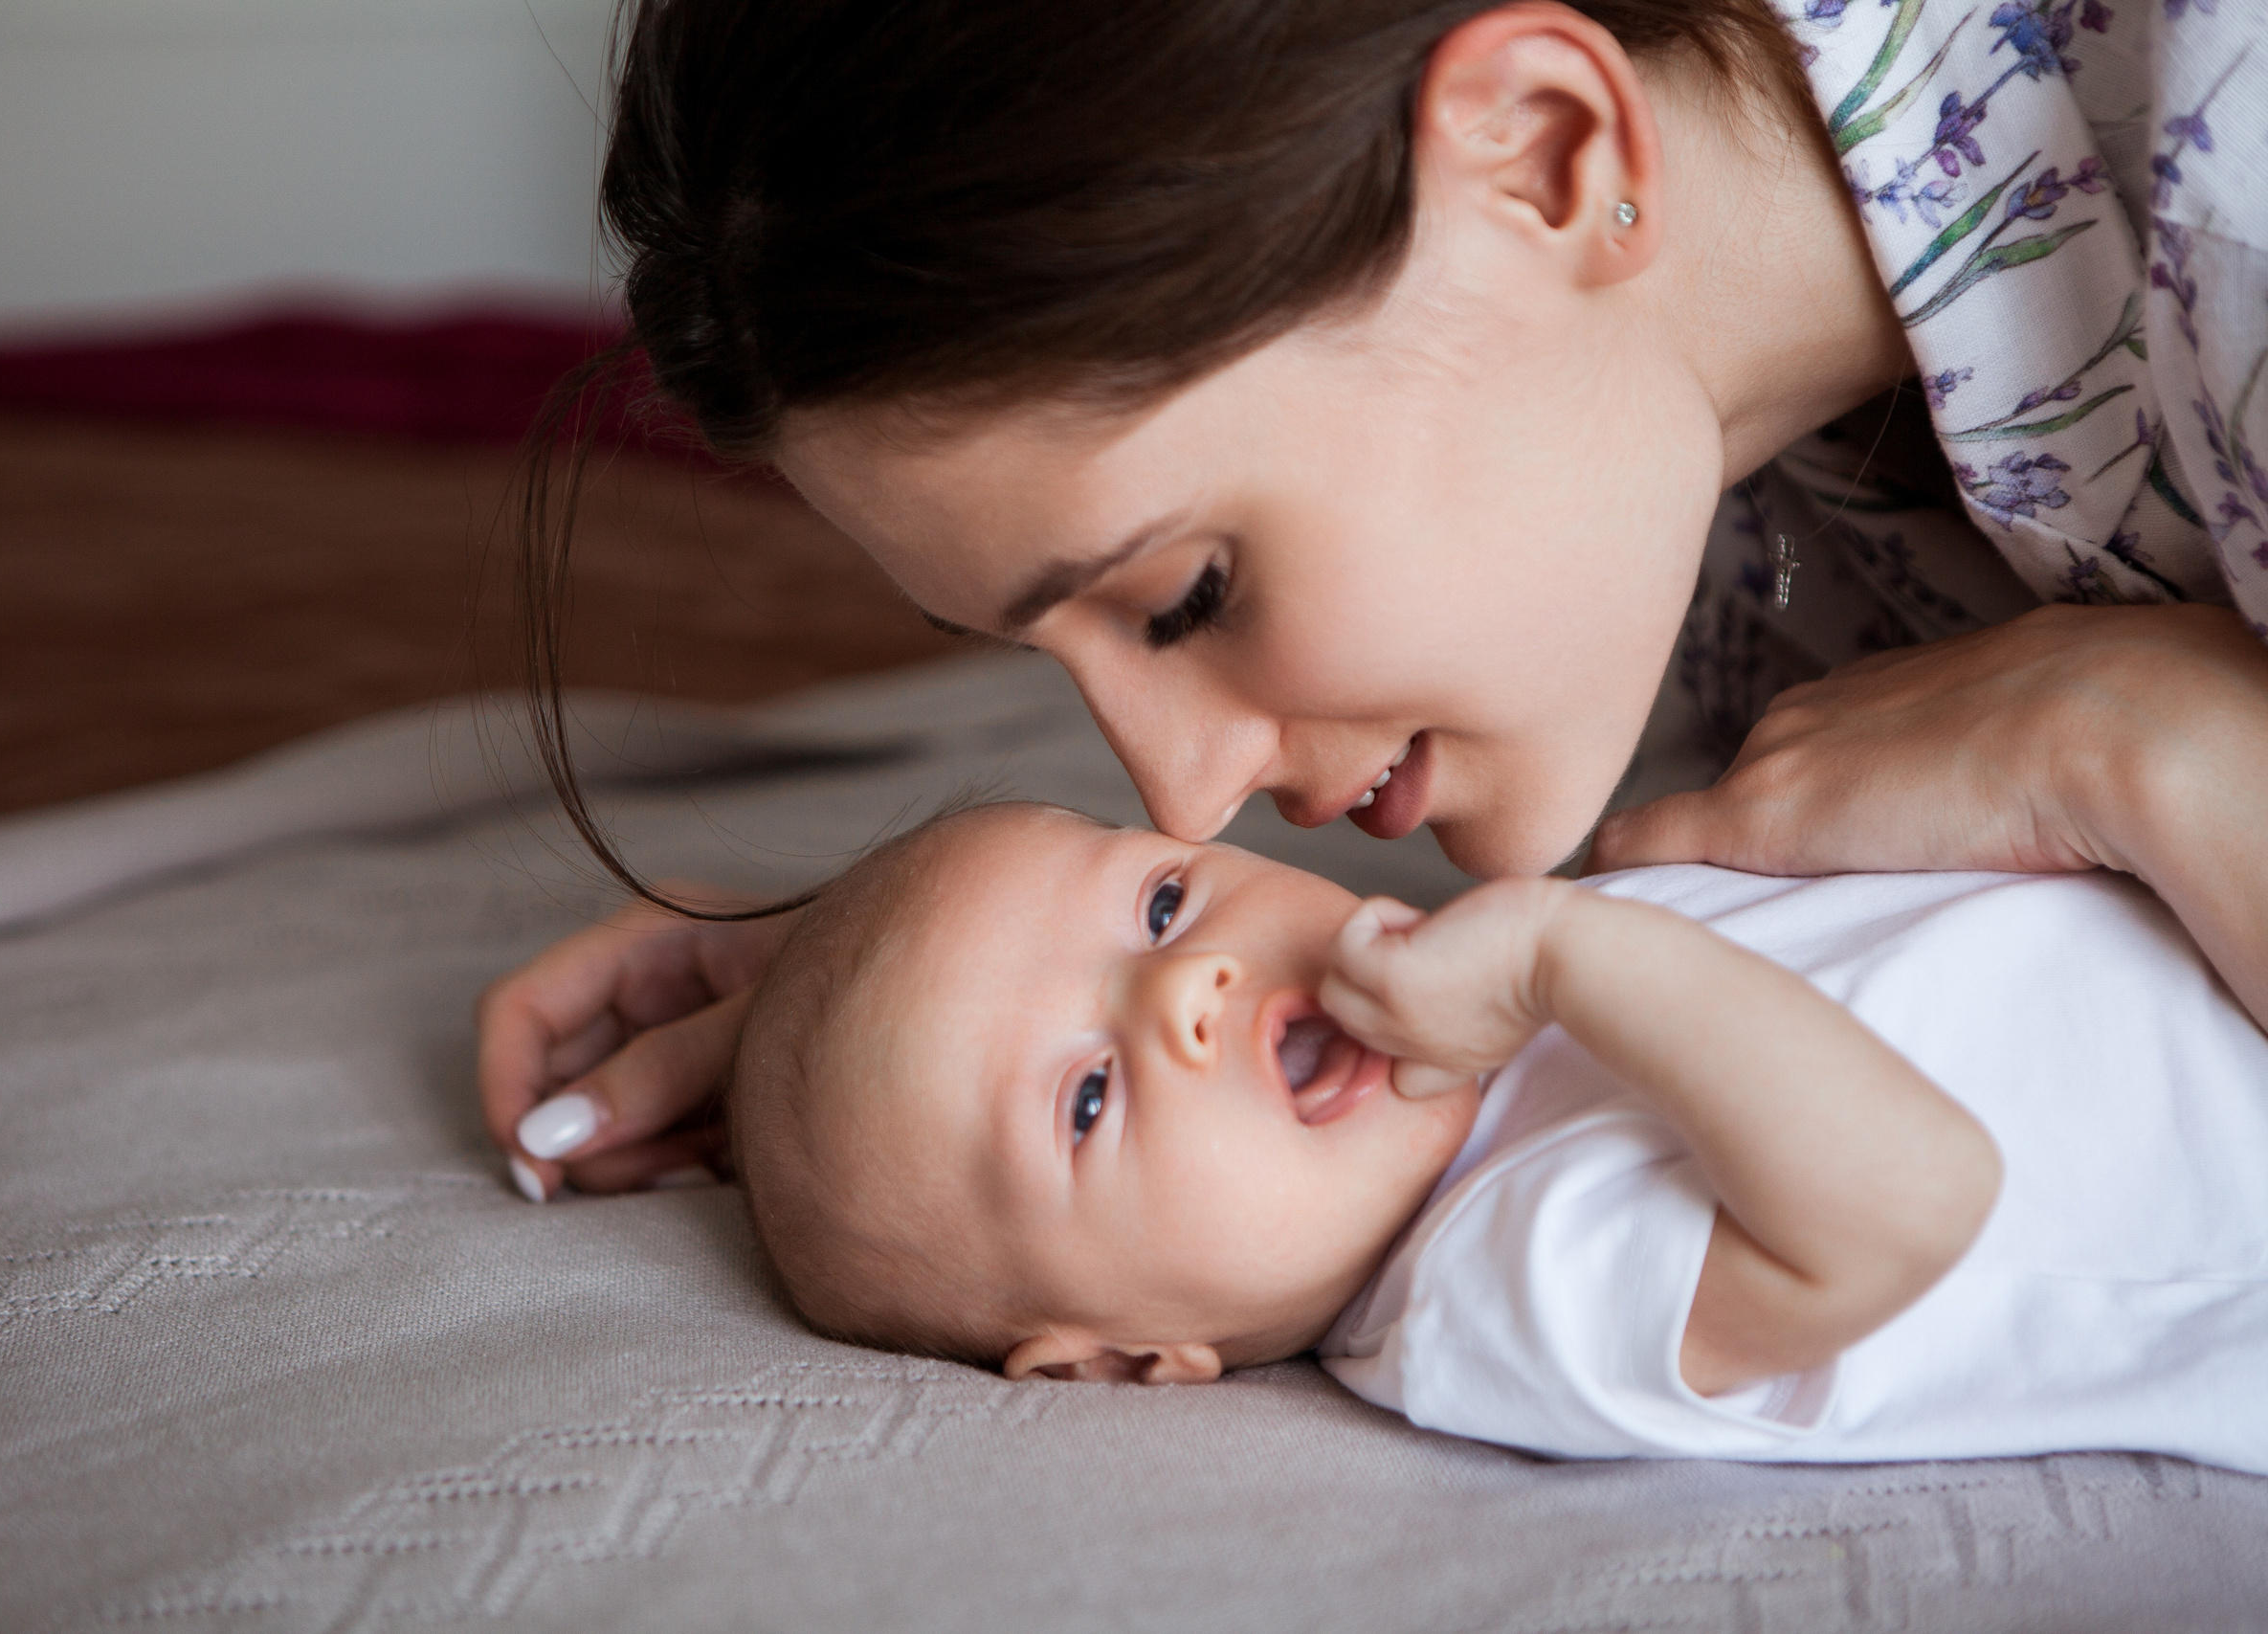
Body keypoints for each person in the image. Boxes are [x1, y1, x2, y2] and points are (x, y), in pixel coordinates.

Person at [481, 0, 2268, 1200]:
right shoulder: (1685, 488)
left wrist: (2152, 747)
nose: (1177, 792)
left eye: (1184, 593)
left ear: (1543, 154)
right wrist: (961, 1021)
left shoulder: (2238, 175)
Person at [684, 799, 2268, 1472]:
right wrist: (1561, 956)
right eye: (1087, 1098)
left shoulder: (1501, 975)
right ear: (1113, 1361)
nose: (1191, 983)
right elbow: (1919, 1197)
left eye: (1160, 901)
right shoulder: (1491, 1293)